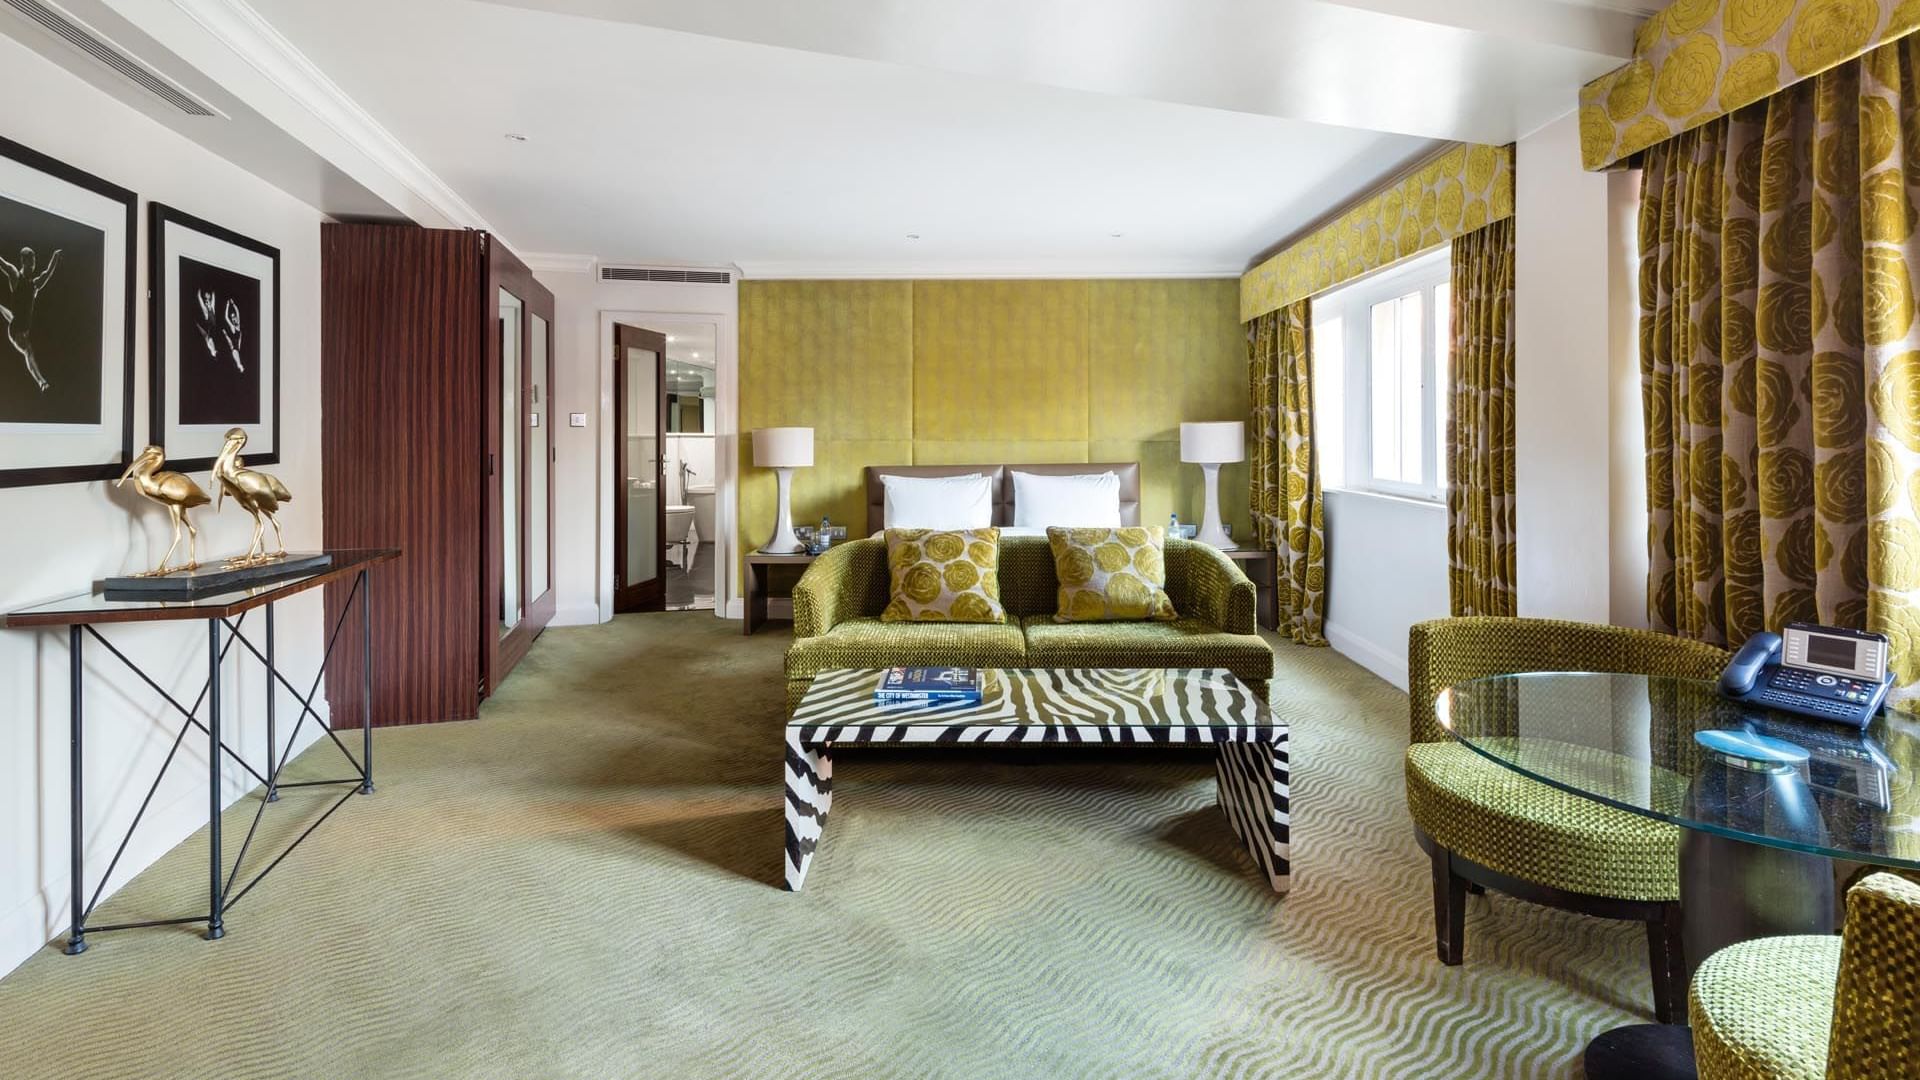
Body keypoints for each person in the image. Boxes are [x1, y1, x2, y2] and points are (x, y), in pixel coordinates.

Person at [0, 245, 62, 392]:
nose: (33, 263)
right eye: (31, 260)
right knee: (28, 350)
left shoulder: (34, 285)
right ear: (23, 260)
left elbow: (47, 274)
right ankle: (41, 382)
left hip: (21, 325)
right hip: (16, 331)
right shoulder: (15, 275)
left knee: (12, 316)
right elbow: (2, 263)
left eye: (34, 260)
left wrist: (55, 257)